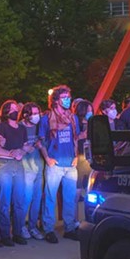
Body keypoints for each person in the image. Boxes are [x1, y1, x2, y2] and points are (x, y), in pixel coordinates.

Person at [38, 85, 80, 243]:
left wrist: (76, 155)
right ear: (55, 100)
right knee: (50, 197)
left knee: (69, 198)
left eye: (69, 96)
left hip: (70, 163)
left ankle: (69, 228)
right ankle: (48, 228)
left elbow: (75, 138)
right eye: (65, 97)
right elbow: (40, 141)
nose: (68, 100)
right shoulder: (47, 119)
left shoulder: (72, 117)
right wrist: (47, 158)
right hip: (54, 164)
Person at [0, 100, 29, 246]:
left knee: (19, 200)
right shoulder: (2, 127)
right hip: (4, 164)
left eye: (17, 108)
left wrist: (22, 151)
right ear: (6, 112)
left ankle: (17, 232)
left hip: (19, 164)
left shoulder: (22, 128)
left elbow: (25, 145)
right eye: (12, 109)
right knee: (5, 200)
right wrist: (11, 153)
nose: (16, 111)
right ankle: (4, 234)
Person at [19, 103, 45, 240]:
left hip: (38, 167)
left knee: (37, 199)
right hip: (25, 169)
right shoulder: (19, 126)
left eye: (38, 113)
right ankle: (21, 226)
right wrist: (25, 147)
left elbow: (43, 143)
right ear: (26, 114)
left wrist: (40, 146)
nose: (36, 116)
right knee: (26, 199)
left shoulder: (39, 127)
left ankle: (33, 226)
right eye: (33, 113)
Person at [73, 99, 94, 223]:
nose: (90, 113)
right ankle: (75, 221)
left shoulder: (92, 123)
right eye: (88, 111)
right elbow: (73, 138)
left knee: (90, 191)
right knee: (77, 191)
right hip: (80, 158)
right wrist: (82, 135)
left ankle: (88, 218)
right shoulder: (75, 122)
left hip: (90, 159)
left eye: (91, 111)